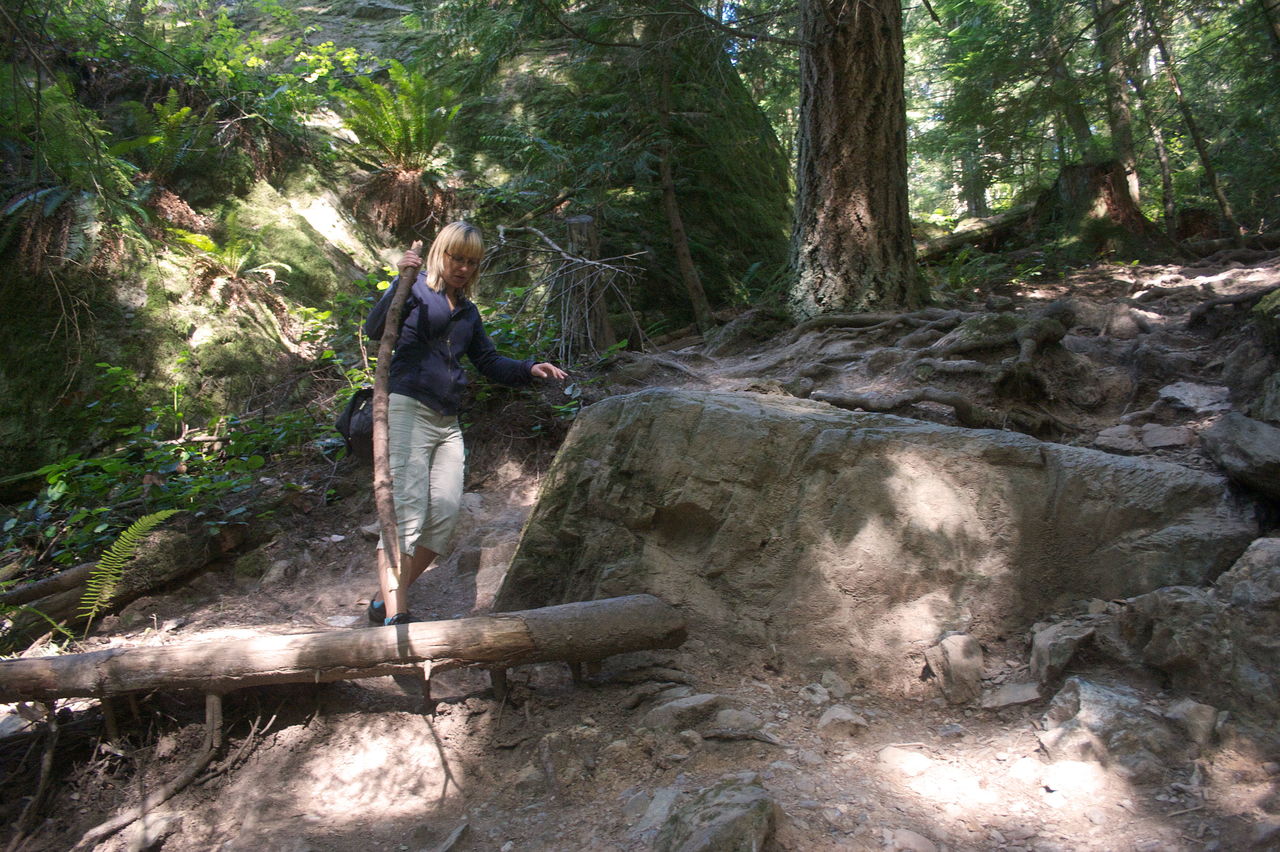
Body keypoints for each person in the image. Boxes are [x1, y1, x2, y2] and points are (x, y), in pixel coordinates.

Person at [363, 221, 567, 625]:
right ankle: (397, 616)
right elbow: (374, 330)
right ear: (441, 252)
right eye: (456, 257)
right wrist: (396, 284)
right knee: (405, 512)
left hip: (447, 421)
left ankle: (384, 597)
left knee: (443, 516)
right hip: (407, 409)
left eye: (471, 262)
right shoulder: (415, 290)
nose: (462, 267)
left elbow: (488, 361)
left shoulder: (468, 312)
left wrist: (529, 369)